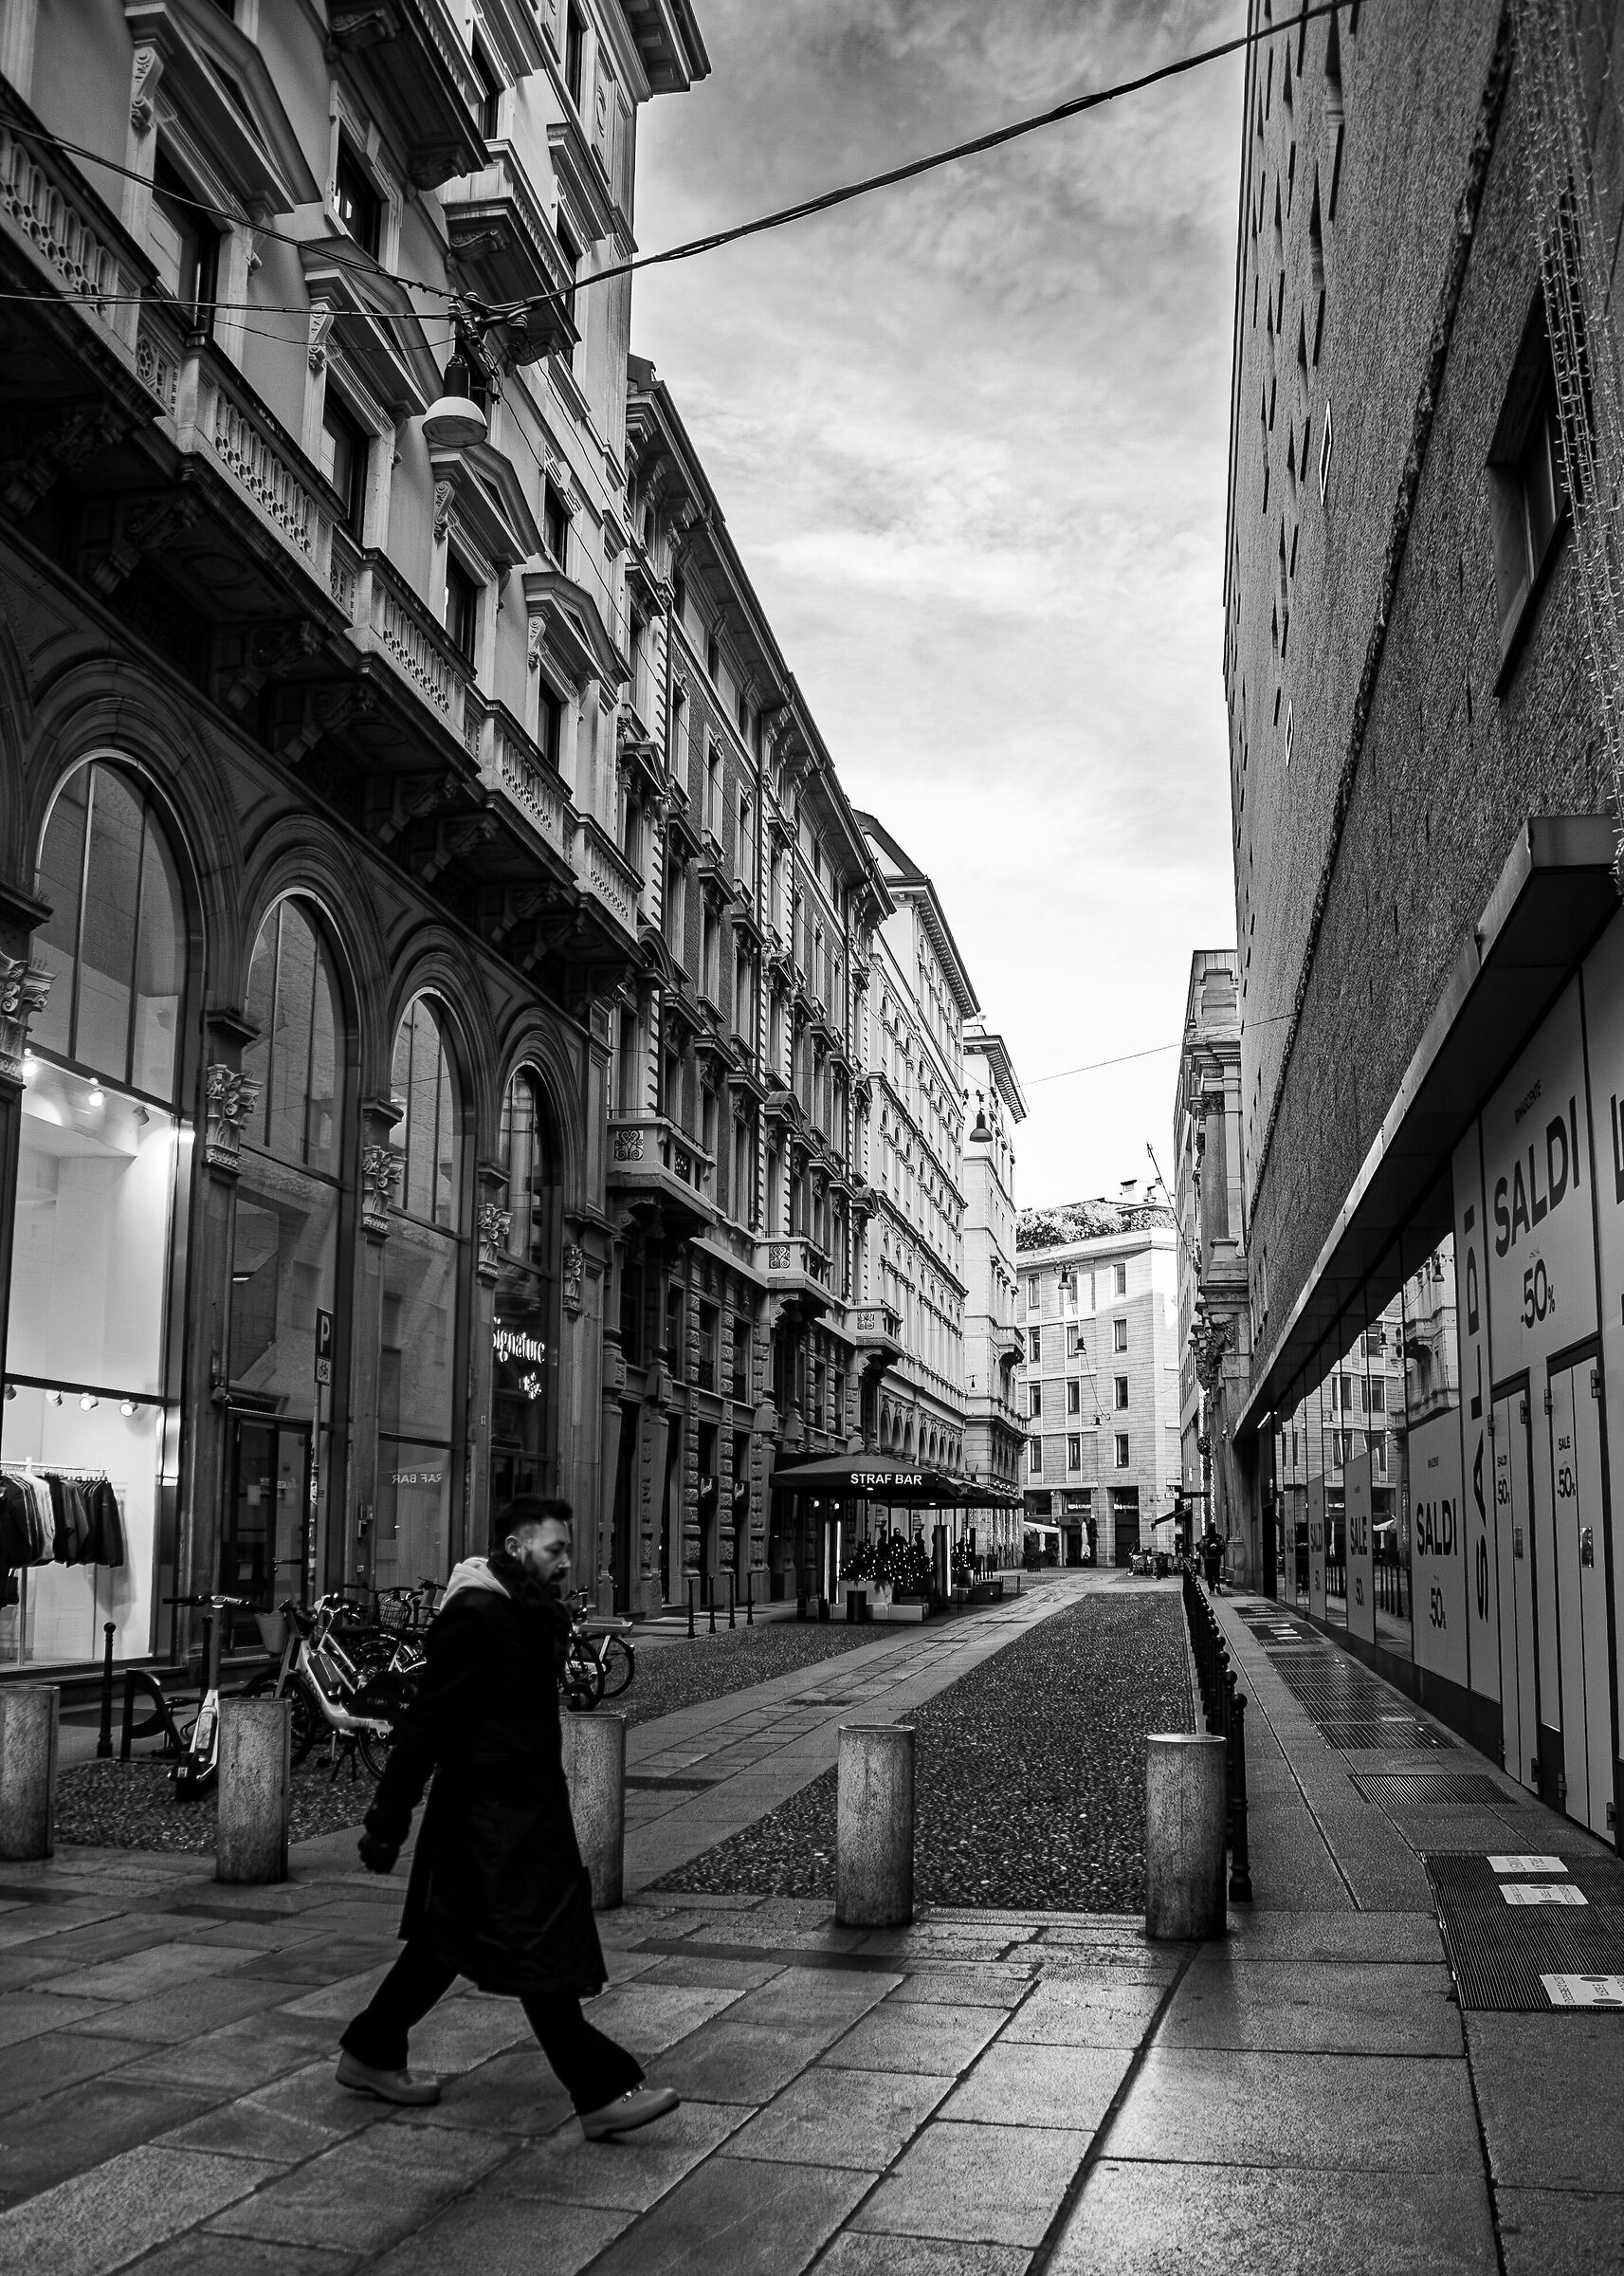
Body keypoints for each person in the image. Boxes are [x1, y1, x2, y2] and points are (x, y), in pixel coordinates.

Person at [336, 1496, 679, 2142]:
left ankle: (371, 2051)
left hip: (519, 1808)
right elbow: (428, 1722)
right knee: (534, 1947)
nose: (567, 1563)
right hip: (487, 1818)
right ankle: (599, 2090)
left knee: (446, 1943)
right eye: (555, 1550)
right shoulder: (475, 1614)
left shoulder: (521, 1610)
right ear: (518, 1548)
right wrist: (387, 1818)